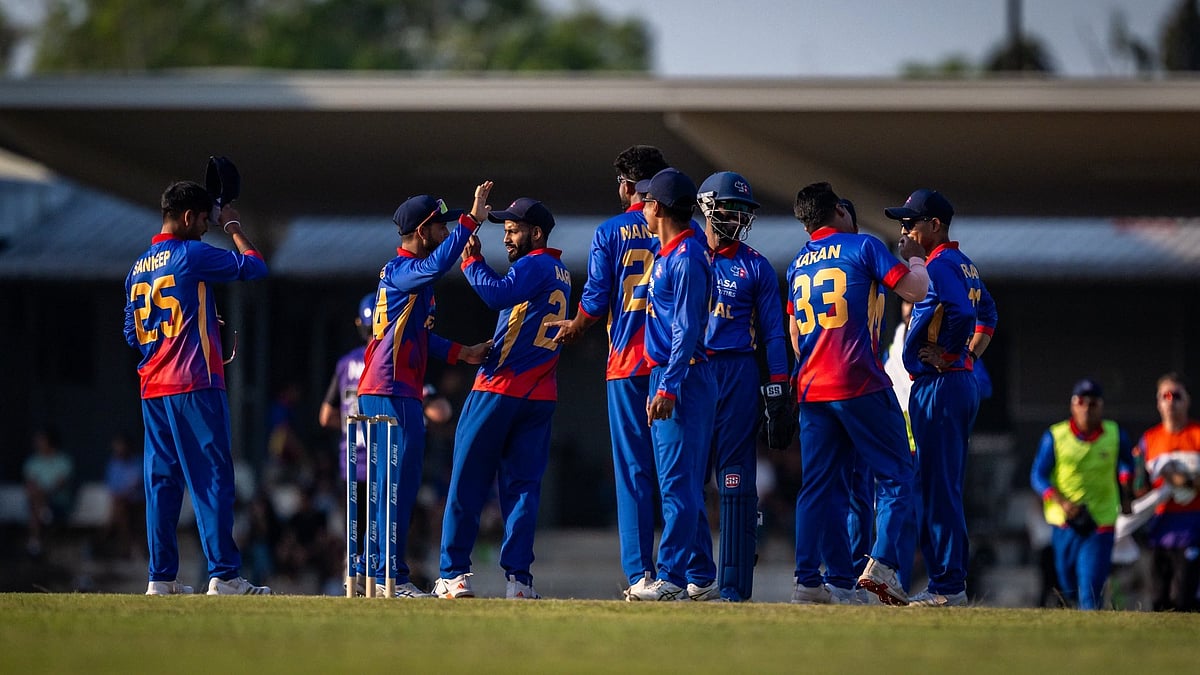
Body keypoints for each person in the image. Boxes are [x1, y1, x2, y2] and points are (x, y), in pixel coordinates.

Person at [123, 179, 270, 595]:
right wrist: (235, 226)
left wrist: (182, 331)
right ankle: (224, 576)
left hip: (153, 388)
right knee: (212, 478)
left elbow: (131, 333)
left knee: (162, 483)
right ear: (188, 217)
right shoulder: (192, 254)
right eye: (205, 219)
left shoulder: (137, 267)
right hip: (194, 384)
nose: (208, 226)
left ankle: (161, 579)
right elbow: (254, 267)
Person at [787, 181, 929, 606]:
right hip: (858, 380)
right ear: (837, 212)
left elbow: (795, 332)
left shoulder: (797, 264)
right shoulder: (862, 246)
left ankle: (809, 581)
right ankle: (882, 563)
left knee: (817, 487)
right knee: (897, 474)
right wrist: (917, 259)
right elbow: (916, 291)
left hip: (812, 387)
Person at [357, 184, 494, 598]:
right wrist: (470, 218)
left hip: (402, 391)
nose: (445, 231)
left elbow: (422, 338)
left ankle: (385, 573)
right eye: (441, 227)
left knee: (401, 487)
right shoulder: (404, 271)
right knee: (392, 486)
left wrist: (462, 354)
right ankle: (387, 578)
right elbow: (436, 265)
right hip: (387, 389)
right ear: (422, 230)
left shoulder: (416, 279)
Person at [546, 145, 669, 598]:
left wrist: (576, 326)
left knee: (635, 471)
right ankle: (685, 573)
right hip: (673, 362)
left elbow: (596, 300)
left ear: (631, 186)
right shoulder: (683, 231)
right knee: (679, 470)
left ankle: (641, 576)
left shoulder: (612, 231)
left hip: (627, 364)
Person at [434, 197, 570, 601]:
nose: (507, 237)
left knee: (466, 479)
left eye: (513, 230)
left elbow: (495, 295)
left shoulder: (535, 264)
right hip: (540, 394)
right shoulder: (559, 271)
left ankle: (455, 574)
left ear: (537, 233)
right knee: (523, 489)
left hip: (500, 386)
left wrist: (471, 264)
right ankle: (519, 581)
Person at [884, 188, 998, 608]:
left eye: (911, 223)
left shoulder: (942, 263)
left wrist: (952, 355)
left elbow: (966, 313)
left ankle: (947, 586)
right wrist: (968, 354)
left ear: (934, 226)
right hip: (951, 381)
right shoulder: (962, 263)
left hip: (941, 383)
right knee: (938, 486)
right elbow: (988, 314)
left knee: (938, 489)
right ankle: (945, 583)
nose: (905, 230)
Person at [693, 170, 789, 602]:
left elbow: (773, 334)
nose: (737, 218)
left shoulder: (756, 266)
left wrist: (779, 387)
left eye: (744, 211)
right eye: (731, 208)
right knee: (685, 476)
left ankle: (732, 585)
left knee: (734, 478)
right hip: (691, 368)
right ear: (708, 206)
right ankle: (690, 578)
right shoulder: (682, 254)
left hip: (737, 372)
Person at [623, 168, 717, 602]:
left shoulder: (686, 258)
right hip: (670, 374)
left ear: (656, 208)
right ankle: (700, 573)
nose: (639, 206)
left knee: (677, 484)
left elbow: (687, 329)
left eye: (644, 200)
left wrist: (668, 387)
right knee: (677, 482)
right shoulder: (672, 252)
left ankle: (672, 578)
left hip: (683, 376)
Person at [1031, 379, 1134, 610]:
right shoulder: (1055, 436)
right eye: (1081, 401)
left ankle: (1093, 626)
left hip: (1100, 520)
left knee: (1090, 586)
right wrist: (1061, 501)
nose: (1087, 407)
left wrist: (1126, 492)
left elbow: (1127, 464)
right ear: (1073, 406)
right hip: (1065, 522)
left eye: (1093, 402)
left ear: (1101, 406)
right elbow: (1037, 476)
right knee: (1066, 582)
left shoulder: (1115, 434)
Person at [318, 293, 374, 594]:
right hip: (380, 456)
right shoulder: (385, 360)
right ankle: (375, 577)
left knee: (354, 526)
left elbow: (325, 415)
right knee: (379, 525)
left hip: (350, 458)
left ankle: (352, 576)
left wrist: (346, 421)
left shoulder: (344, 364)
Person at [1133, 372, 1200, 611]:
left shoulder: (1197, 435)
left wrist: (1183, 481)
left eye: (1176, 396)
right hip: (1159, 530)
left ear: (1187, 400)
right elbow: (1139, 485)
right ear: (1158, 402)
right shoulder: (1149, 439)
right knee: (1159, 602)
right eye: (1165, 396)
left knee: (1184, 601)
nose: (1171, 401)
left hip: (1192, 530)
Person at [22, 427, 74, 558]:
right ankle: (44, 512)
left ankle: (34, 544)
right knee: (36, 505)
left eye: (40, 440)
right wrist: (39, 494)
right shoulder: (32, 462)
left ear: (50, 441)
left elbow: (60, 484)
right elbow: (30, 484)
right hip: (38, 503)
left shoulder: (63, 460)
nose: (37, 443)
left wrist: (43, 493)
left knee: (36, 507)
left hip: (58, 503)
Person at [103, 431, 144, 559]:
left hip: (139, 503)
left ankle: (105, 538)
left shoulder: (139, 462)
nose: (118, 449)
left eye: (121, 445)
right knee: (121, 509)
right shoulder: (113, 465)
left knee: (120, 509)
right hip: (121, 503)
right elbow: (112, 488)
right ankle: (125, 547)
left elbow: (136, 485)